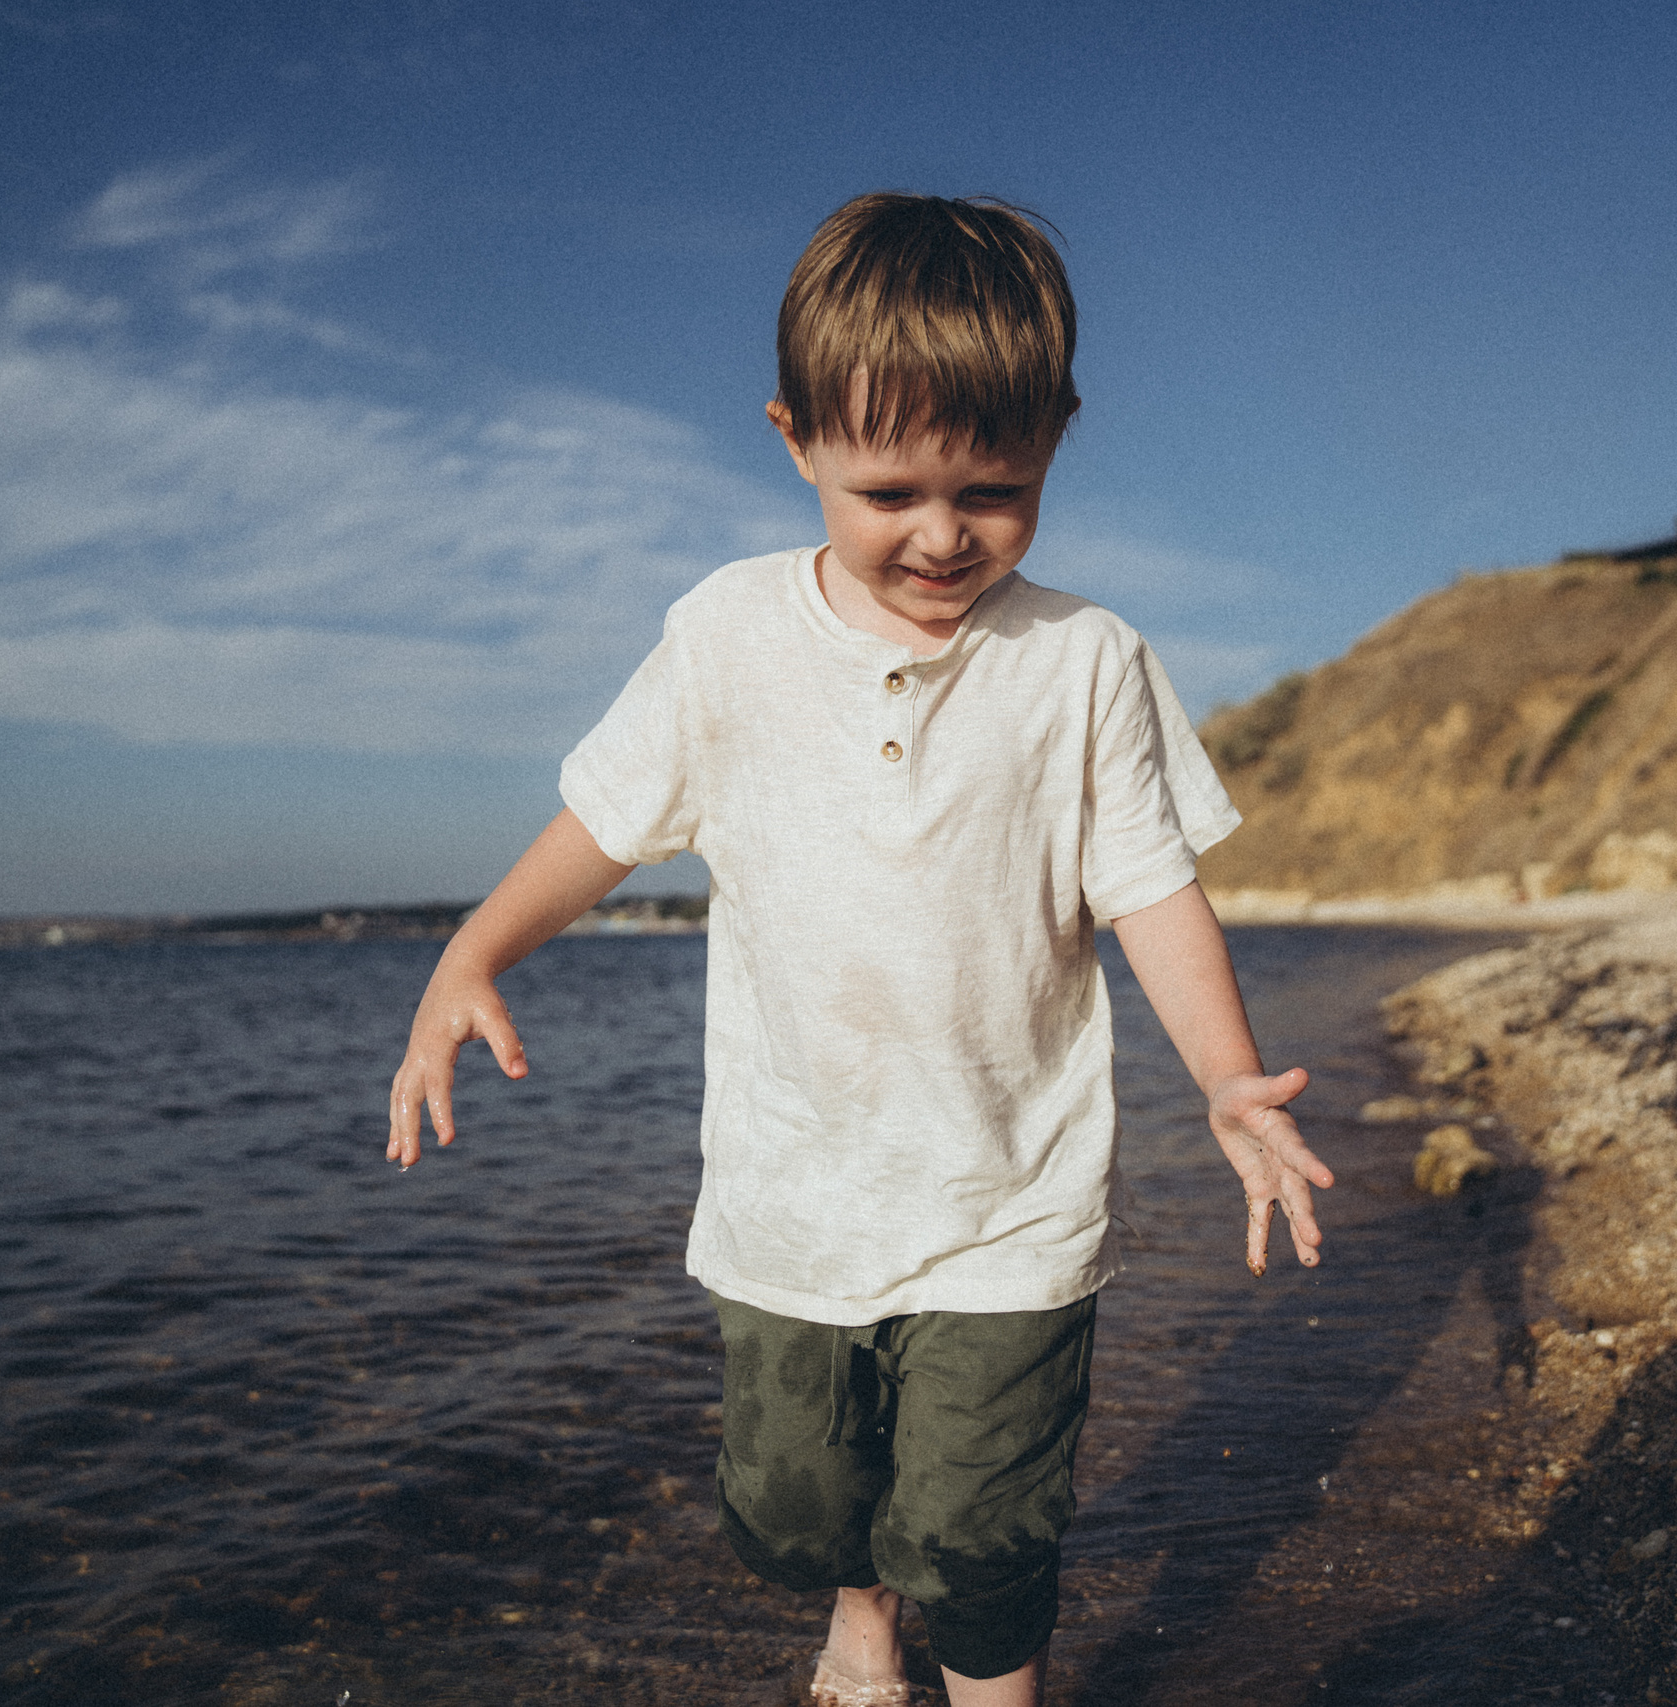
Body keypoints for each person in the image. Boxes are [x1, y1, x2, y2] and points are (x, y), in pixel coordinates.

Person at [383, 194, 1333, 1707]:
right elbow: (607, 821)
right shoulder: (726, 637)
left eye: (997, 488)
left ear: (1058, 439)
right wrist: (474, 947)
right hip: (790, 1191)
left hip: (1008, 1195)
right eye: (890, 486)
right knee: (797, 1496)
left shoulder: (1085, 662)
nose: (945, 533)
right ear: (795, 439)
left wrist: (1226, 1078)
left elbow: (1150, 888)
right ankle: (857, 1614)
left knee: (979, 1516)